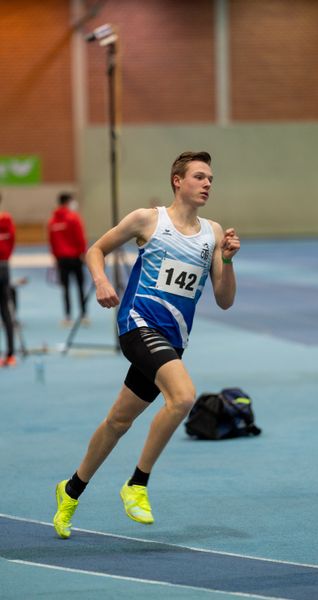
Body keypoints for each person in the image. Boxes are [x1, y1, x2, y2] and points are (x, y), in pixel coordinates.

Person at [53, 151, 240, 539]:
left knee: (119, 421)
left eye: (210, 179)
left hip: (173, 340)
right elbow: (95, 250)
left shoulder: (213, 233)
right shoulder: (148, 219)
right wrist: (102, 281)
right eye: (199, 177)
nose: (207, 184)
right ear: (178, 180)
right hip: (137, 325)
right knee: (184, 397)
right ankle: (137, 484)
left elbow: (224, 300)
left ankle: (70, 491)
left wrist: (228, 261)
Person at [47, 192, 88, 326]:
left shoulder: (52, 221)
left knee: (65, 288)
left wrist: (55, 256)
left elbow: (51, 241)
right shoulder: (73, 218)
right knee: (80, 287)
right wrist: (83, 253)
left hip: (61, 259)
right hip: (75, 258)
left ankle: (68, 316)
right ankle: (83, 315)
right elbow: (80, 237)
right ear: (68, 202)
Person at [0, 193, 16, 367]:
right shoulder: (6, 219)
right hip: (3, 266)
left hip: (2, 266)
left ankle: (10, 353)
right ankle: (10, 354)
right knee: (6, 310)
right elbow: (11, 241)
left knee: (5, 309)